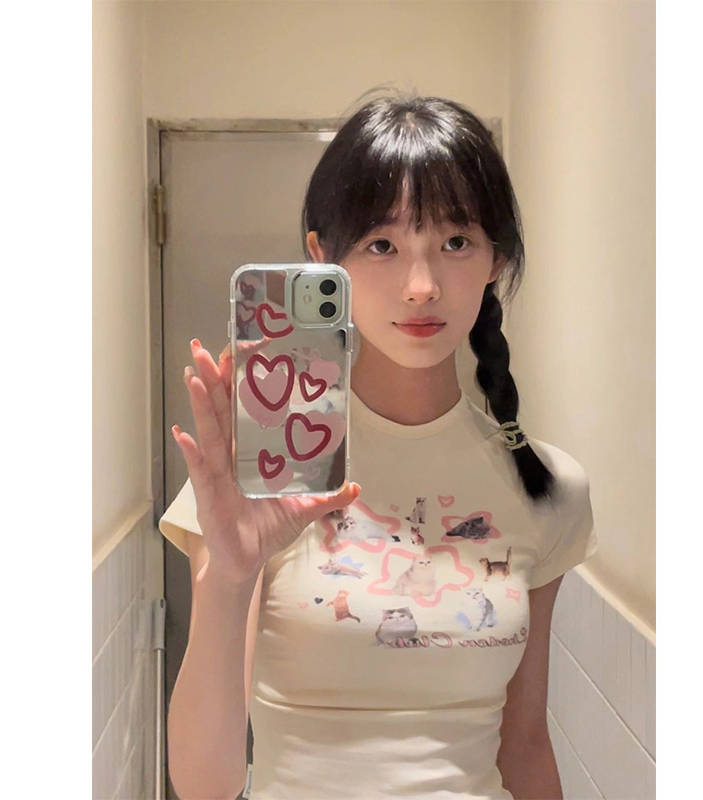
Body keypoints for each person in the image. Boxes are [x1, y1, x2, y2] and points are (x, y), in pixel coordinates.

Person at [159, 92, 597, 800]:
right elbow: (204, 783)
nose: (421, 287)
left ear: (495, 257)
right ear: (323, 260)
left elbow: (525, 743)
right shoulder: (261, 471)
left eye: (456, 242)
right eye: (382, 246)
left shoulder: (547, 486)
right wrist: (231, 578)